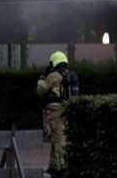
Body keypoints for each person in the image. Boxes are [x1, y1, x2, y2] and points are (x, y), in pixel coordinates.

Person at [36, 50, 78, 178]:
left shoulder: (53, 76)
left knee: (59, 140)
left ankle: (62, 168)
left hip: (55, 112)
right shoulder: (67, 75)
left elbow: (40, 90)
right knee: (57, 138)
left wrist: (42, 77)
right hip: (65, 110)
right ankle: (53, 167)